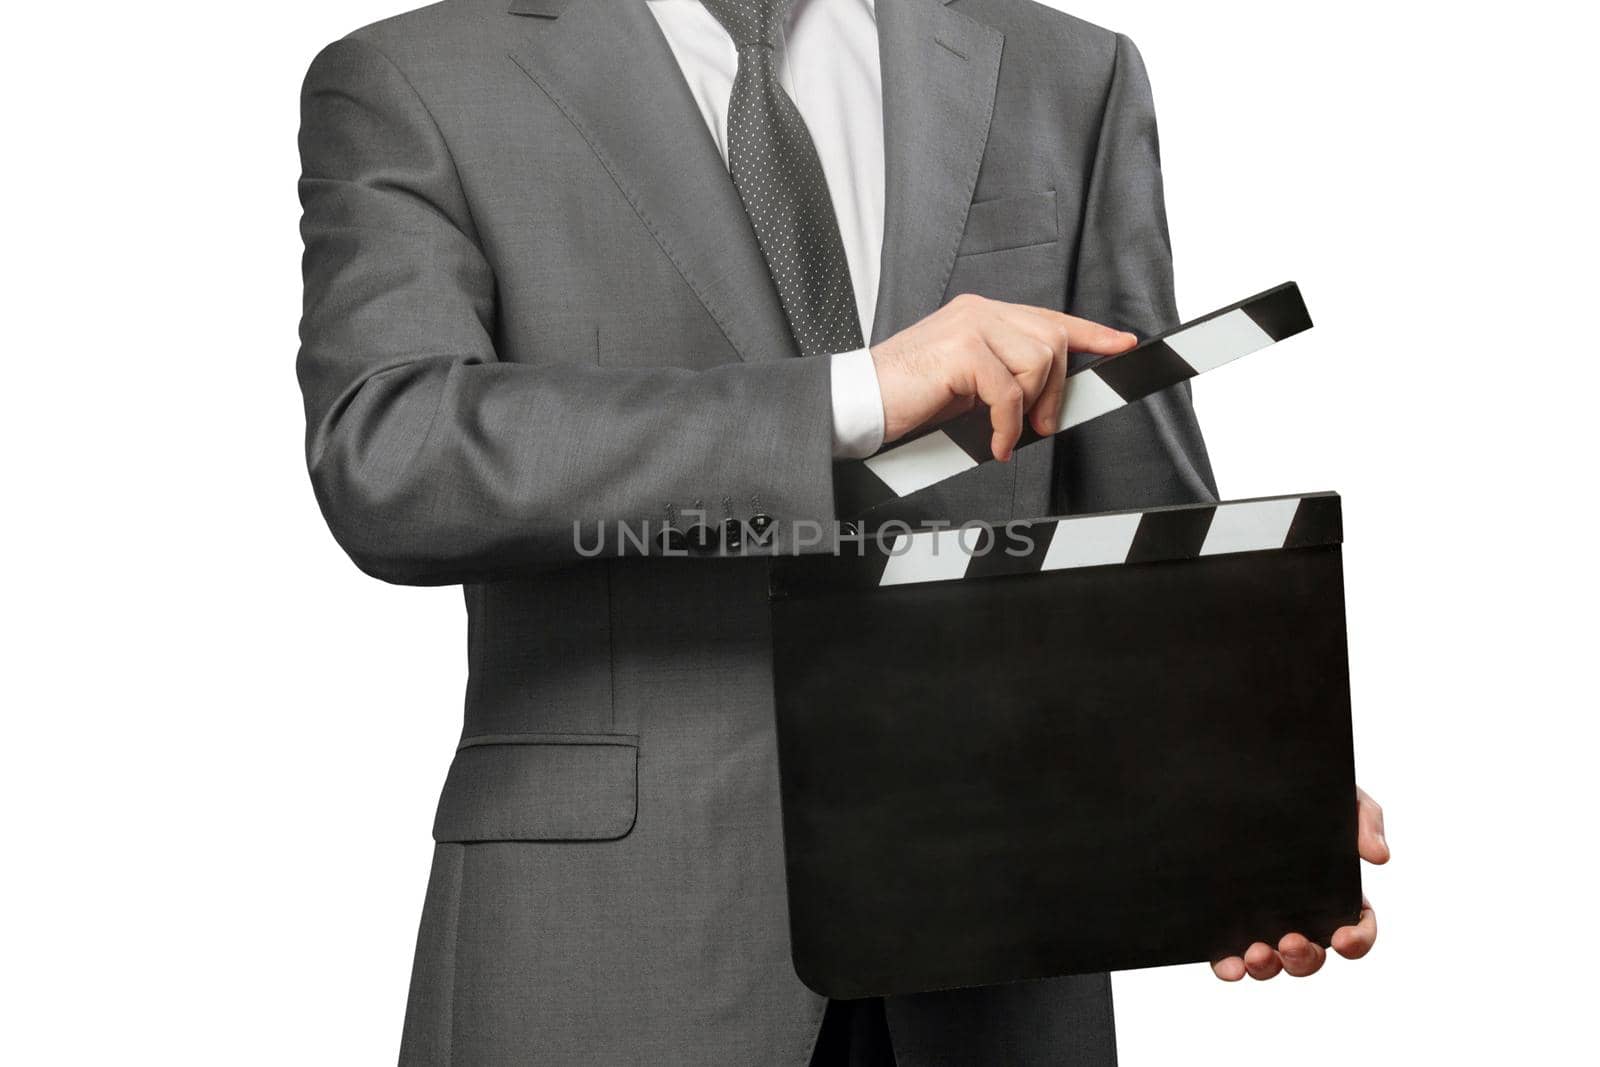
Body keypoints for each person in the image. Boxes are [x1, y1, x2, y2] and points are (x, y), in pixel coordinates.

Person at [296, 0, 1387, 1062]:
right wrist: (850, 394)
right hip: (610, 945)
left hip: (1000, 944)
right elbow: (391, 456)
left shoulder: (1070, 71)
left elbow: (1138, 505)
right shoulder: (417, 76)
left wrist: (1242, 785)